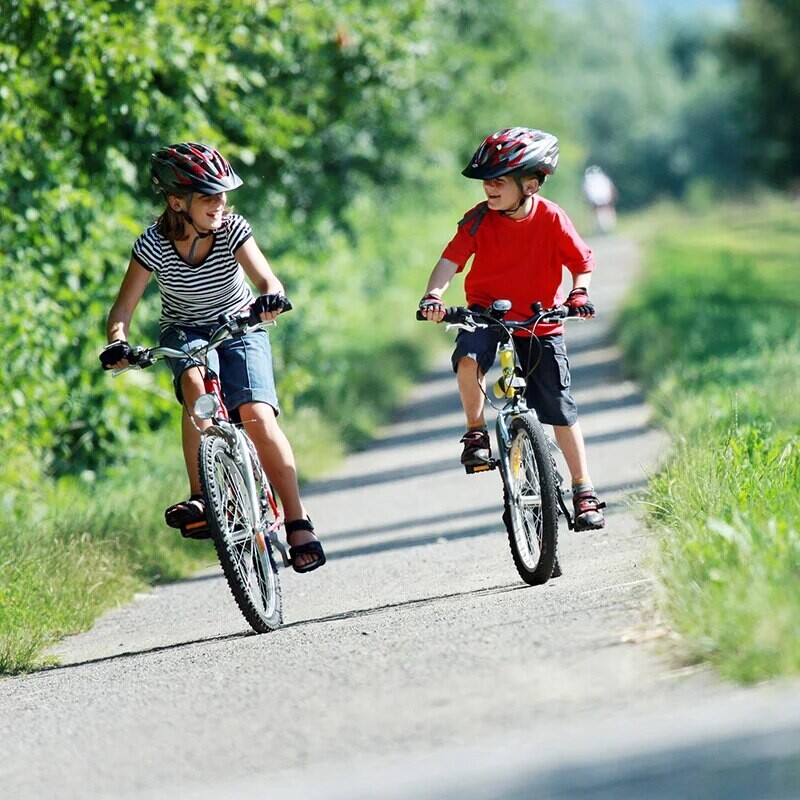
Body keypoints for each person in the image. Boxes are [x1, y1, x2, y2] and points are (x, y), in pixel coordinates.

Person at [99, 142, 326, 572]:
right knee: (195, 386)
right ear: (176, 202)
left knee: (256, 413)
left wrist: (271, 296)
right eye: (208, 197)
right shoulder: (153, 244)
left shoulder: (232, 229)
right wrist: (117, 341)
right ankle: (202, 495)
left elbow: (264, 276)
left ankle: (298, 520)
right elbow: (123, 309)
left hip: (240, 323)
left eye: (222, 194)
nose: (219, 204)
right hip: (184, 331)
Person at [418, 127, 605, 531]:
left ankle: (583, 489)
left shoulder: (552, 217)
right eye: (487, 181)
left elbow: (582, 263)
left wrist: (578, 295)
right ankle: (474, 433)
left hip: (540, 320)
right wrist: (433, 296)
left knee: (558, 406)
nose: (489, 188)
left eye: (499, 180)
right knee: (468, 360)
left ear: (530, 183)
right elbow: (450, 262)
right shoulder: (477, 221)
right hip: (486, 315)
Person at [582, 165, 618, 234]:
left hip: (595, 201)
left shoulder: (589, 180)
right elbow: (611, 188)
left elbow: (586, 192)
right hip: (606, 199)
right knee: (608, 211)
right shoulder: (604, 178)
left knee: (597, 213)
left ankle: (601, 228)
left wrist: (586, 201)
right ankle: (608, 227)